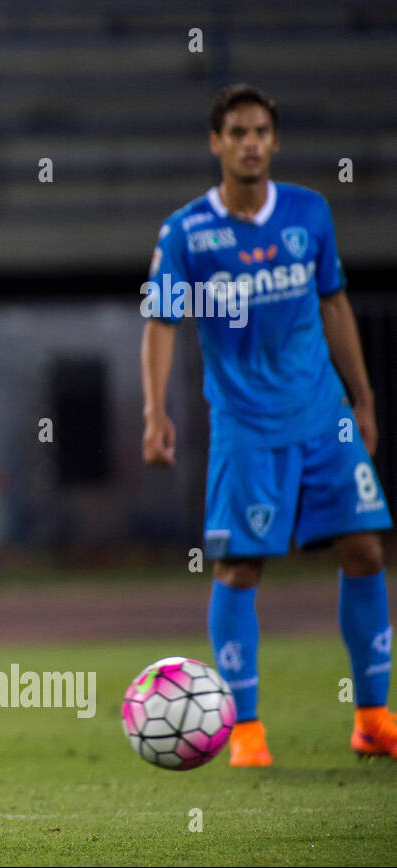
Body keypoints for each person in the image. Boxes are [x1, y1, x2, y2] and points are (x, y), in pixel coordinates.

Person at [141, 84, 394, 765]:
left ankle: (372, 716)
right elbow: (162, 319)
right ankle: (245, 730)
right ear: (216, 143)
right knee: (238, 566)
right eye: (237, 132)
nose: (250, 142)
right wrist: (156, 410)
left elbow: (334, 305)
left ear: (274, 141)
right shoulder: (187, 232)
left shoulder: (309, 214)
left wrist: (362, 399)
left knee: (367, 549)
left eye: (260, 131)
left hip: (323, 419)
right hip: (246, 428)